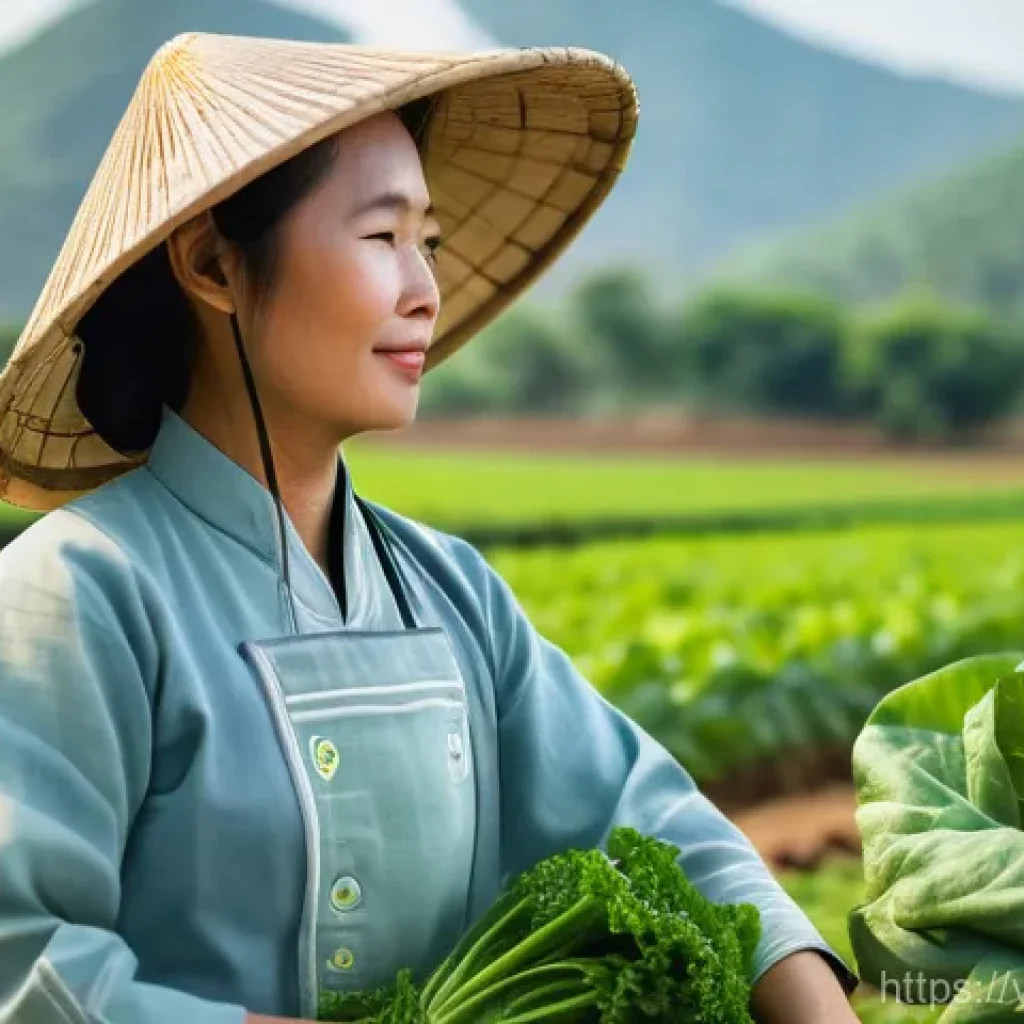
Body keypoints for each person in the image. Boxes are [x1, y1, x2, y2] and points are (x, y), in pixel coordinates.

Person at [0, 32, 859, 1024]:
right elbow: (28, 966)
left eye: (429, 242)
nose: (425, 291)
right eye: (381, 238)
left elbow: (649, 818)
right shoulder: (78, 589)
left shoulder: (449, 590)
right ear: (213, 267)